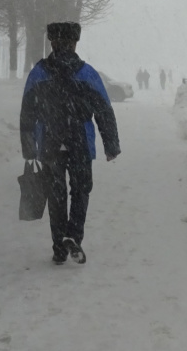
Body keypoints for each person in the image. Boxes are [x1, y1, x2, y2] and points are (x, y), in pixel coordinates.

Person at [21, 22, 120, 265]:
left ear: (51, 43)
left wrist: (29, 147)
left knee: (56, 196)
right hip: (80, 143)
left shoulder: (39, 73)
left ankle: (59, 247)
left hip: (50, 143)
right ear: (75, 43)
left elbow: (27, 113)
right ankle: (73, 236)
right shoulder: (87, 74)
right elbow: (104, 111)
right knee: (81, 190)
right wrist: (111, 145)